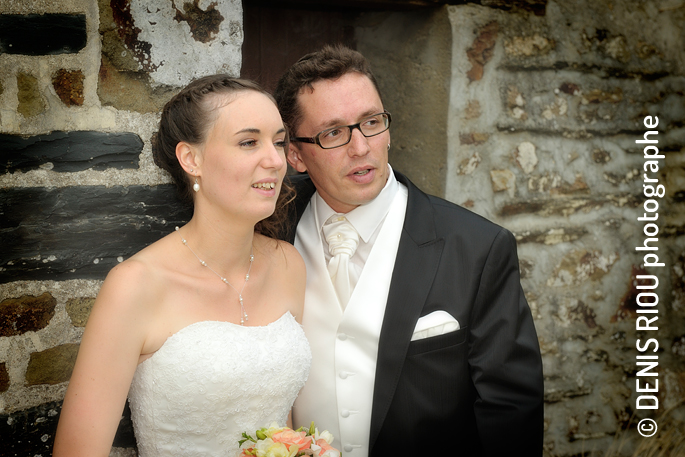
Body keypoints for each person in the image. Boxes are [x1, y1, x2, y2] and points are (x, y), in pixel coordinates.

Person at [274, 44, 544, 457]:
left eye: (371, 122)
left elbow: (511, 412)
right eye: (333, 132)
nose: (360, 147)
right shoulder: (270, 235)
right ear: (296, 154)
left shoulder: (476, 247)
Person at [53, 76, 310, 457]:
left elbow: (281, 417)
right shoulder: (135, 285)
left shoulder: (288, 264)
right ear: (192, 159)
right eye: (248, 142)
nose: (275, 160)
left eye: (277, 141)